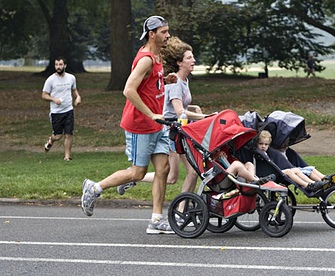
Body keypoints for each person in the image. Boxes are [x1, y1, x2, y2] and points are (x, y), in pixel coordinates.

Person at [81, 15, 176, 235]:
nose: (168, 35)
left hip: (157, 123)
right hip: (140, 125)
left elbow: (148, 83)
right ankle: (94, 188)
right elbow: (128, 90)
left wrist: (164, 81)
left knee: (163, 169)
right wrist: (151, 114)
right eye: (164, 32)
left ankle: (156, 220)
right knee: (137, 173)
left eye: (167, 31)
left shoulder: (157, 55)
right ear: (152, 34)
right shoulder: (146, 58)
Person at [117, 36, 212, 196]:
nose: (193, 60)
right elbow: (179, 111)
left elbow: (184, 106)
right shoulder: (176, 84)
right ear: (180, 63)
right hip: (171, 133)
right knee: (176, 176)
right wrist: (204, 117)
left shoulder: (183, 80)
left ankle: (181, 210)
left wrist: (196, 109)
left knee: (185, 174)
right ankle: (132, 177)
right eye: (189, 58)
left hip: (181, 131)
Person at [256, 130, 326, 192]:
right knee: (289, 171)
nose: (263, 146)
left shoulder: (267, 152)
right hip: (267, 175)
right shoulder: (258, 153)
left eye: (266, 144)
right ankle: (306, 185)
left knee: (295, 169)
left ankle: (312, 183)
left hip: (273, 173)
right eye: (261, 144)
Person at [41, 57, 81, 161]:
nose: (58, 67)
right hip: (56, 112)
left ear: (65, 65)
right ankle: (51, 140)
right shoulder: (50, 80)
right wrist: (54, 99)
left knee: (69, 134)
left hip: (68, 110)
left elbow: (74, 89)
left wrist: (78, 97)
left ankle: (67, 157)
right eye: (56, 65)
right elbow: (44, 95)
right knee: (58, 136)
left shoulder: (71, 78)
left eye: (60, 65)